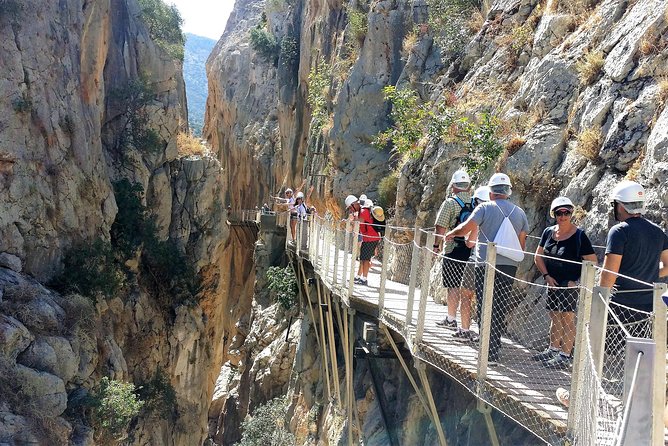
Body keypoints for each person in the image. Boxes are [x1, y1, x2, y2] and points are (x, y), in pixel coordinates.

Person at [445, 173, 529, 363]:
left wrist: (450, 234)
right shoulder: (519, 212)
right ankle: (494, 346)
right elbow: (521, 244)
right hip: (509, 265)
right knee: (499, 305)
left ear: (491, 192)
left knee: (485, 306)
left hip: (486, 264)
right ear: (508, 192)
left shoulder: (484, 208)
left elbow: (466, 228)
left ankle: (487, 350)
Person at [533, 197, 597, 369]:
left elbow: (592, 262)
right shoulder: (548, 232)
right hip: (552, 281)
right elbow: (537, 256)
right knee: (554, 315)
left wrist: (576, 282)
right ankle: (553, 350)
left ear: (571, 213)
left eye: (566, 212)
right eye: (559, 213)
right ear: (554, 214)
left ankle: (565, 355)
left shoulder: (579, 236)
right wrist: (546, 275)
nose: (563, 216)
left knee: (567, 318)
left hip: (569, 284)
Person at [600, 180, 668, 333]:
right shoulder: (658, 231)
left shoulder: (619, 231)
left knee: (610, 354)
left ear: (620, 205)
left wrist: (598, 300)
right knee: (641, 353)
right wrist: (647, 274)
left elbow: (609, 274)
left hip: (621, 306)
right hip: (648, 307)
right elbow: (667, 266)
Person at [434, 170, 476, 339]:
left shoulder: (450, 203)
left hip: (453, 249)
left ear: (453, 186)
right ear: (468, 187)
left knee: (453, 284)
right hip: (472, 250)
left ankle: (451, 319)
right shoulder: (475, 203)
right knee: (467, 288)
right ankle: (466, 323)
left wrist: (436, 245)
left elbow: (441, 227)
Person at [345, 195, 380, 286]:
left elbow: (360, 220)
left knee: (365, 260)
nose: (351, 210)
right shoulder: (360, 211)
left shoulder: (364, 211)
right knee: (362, 259)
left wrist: (352, 219)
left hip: (371, 238)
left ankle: (364, 279)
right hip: (367, 238)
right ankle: (359, 277)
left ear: (354, 204)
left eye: (350, 208)